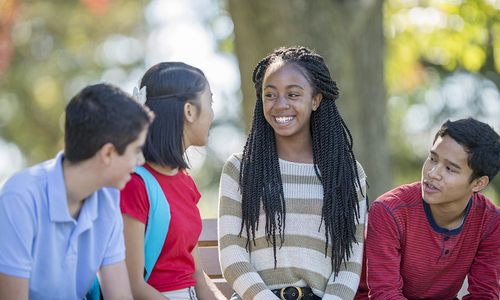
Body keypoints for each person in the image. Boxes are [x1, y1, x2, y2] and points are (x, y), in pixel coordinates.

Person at [218, 46, 368, 300]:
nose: (280, 105)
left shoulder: (346, 173)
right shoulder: (240, 169)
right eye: (270, 95)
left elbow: (349, 262)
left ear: (316, 100)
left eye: (293, 94)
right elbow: (233, 254)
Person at [0, 83, 153, 300]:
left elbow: (119, 296)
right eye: (137, 150)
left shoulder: (108, 199)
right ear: (108, 153)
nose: (141, 161)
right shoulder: (19, 198)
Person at [354, 118, 500, 300]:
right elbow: (385, 294)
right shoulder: (390, 211)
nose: (433, 173)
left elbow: (484, 294)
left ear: (478, 183)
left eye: (449, 169)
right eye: (432, 159)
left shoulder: (491, 222)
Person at [120, 62, 226, 300]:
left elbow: (197, 274)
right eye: (209, 102)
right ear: (189, 111)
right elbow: (132, 284)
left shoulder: (185, 182)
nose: (212, 113)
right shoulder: (133, 184)